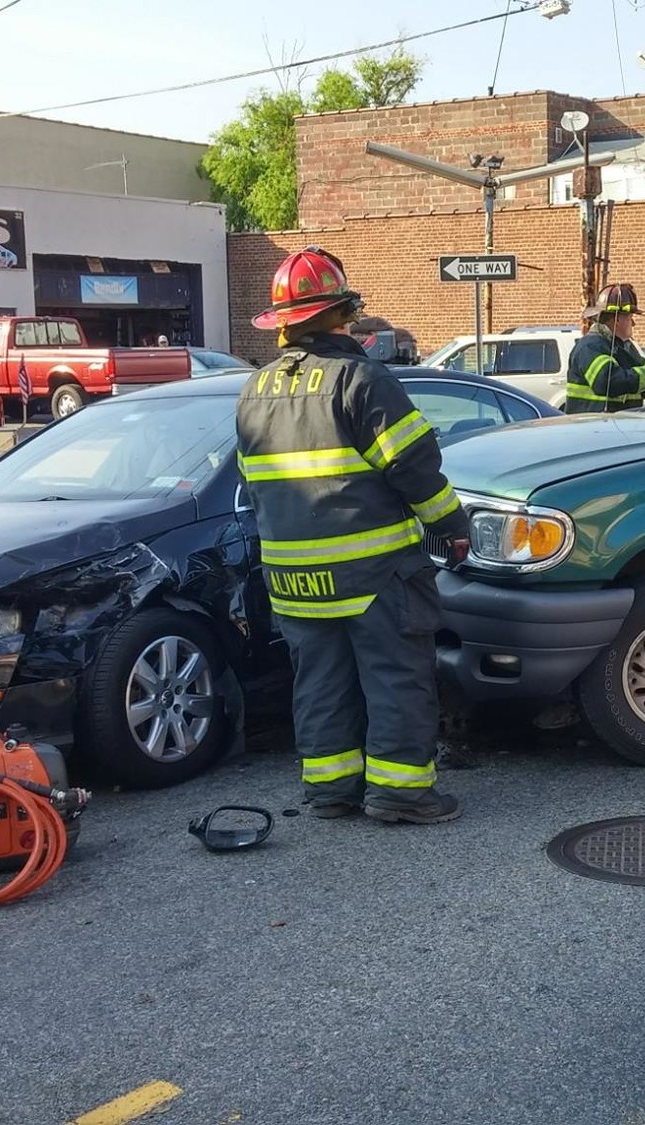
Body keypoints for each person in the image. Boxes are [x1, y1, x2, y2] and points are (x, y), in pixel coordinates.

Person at [238, 247, 469, 824]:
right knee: (396, 677)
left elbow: (253, 482)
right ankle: (401, 792)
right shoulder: (362, 380)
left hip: (293, 579)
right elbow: (414, 468)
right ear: (343, 314)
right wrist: (451, 526)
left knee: (320, 682)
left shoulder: (254, 391)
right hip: (373, 572)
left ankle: (331, 790)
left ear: (282, 325)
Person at [564, 282, 645, 414]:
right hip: (592, 424)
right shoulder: (590, 347)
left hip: (620, 424)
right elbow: (609, 382)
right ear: (617, 319)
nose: (633, 324)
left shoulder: (624, 349)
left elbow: (643, 386)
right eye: (630, 317)